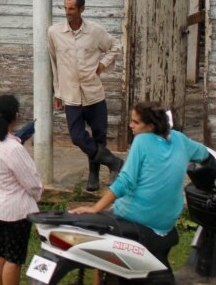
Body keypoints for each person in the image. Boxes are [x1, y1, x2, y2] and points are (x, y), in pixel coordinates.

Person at [70, 102, 208, 271]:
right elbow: (205, 154)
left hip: (135, 216)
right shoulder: (180, 139)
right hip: (166, 222)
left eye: (135, 122)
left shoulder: (142, 141)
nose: (130, 125)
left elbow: (125, 181)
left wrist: (96, 208)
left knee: (103, 257)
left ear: (150, 126)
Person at [48, 0, 123, 191]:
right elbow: (54, 64)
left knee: (99, 135)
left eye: (71, 9)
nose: (68, 12)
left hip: (94, 93)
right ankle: (114, 162)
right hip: (71, 94)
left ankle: (94, 175)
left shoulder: (95, 31)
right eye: (65, 8)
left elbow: (116, 46)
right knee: (77, 137)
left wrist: (102, 65)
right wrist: (57, 92)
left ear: (81, 9)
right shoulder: (54, 33)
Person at [0, 94, 42, 285]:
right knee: (13, 259)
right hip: (16, 212)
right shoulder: (13, 149)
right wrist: (39, 192)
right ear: (16, 116)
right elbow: (32, 183)